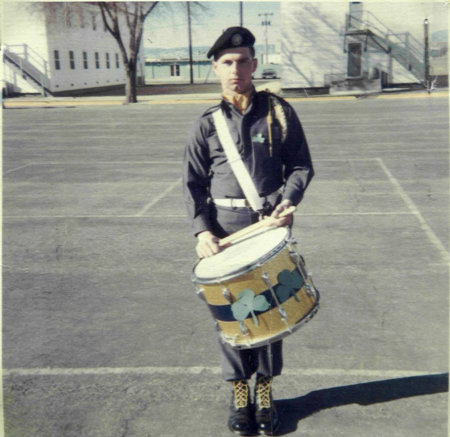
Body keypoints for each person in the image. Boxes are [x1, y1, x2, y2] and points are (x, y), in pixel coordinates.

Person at [183, 26, 314, 436]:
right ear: (215, 68)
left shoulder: (278, 111)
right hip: (224, 233)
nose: (235, 69)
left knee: (271, 310)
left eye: (242, 61)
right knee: (235, 316)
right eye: (227, 62)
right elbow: (192, 183)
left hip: (267, 227)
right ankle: (239, 390)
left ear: (254, 64)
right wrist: (202, 231)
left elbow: (300, 165)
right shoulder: (206, 123)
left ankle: (265, 391)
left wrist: (288, 200)